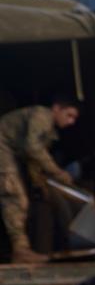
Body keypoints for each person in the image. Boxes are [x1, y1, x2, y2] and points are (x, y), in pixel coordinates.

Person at [0, 96, 80, 263]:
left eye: (74, 118)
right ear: (56, 108)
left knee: (21, 198)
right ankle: (20, 250)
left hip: (9, 150)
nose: (71, 122)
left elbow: (33, 161)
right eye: (69, 115)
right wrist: (58, 173)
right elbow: (33, 148)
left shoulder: (49, 131)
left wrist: (40, 183)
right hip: (2, 146)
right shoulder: (42, 116)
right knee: (15, 197)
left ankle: (21, 249)